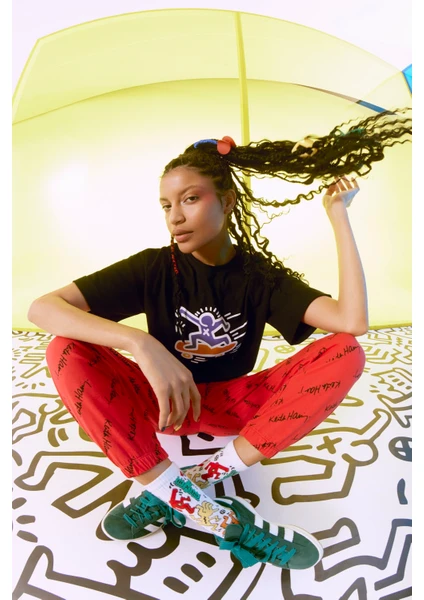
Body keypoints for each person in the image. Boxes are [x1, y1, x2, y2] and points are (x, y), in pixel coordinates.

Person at [27, 107, 411, 571]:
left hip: (234, 407)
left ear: (227, 202)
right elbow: (42, 309)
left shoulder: (259, 277)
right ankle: (210, 512)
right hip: (163, 403)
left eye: (190, 199)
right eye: (166, 206)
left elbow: (352, 322)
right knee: (64, 348)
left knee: (345, 351)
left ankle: (185, 485)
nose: (175, 217)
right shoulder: (152, 266)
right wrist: (140, 344)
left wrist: (338, 218)